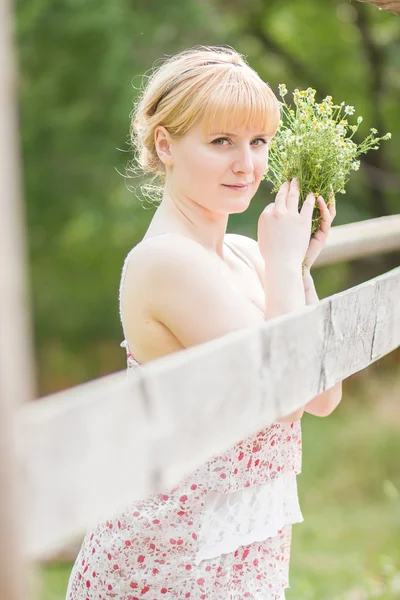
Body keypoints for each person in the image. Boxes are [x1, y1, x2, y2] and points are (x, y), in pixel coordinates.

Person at [66, 45, 342, 600]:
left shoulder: (244, 253)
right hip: (172, 557)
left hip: (245, 540)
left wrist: (299, 267)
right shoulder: (165, 261)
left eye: (258, 141)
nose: (247, 164)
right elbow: (285, 395)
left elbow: (323, 396)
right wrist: (285, 265)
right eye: (221, 142)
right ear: (166, 144)